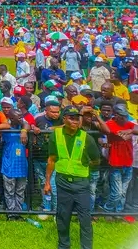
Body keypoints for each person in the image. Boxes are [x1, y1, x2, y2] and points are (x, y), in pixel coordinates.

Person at [44, 106, 101, 249]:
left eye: (77, 118)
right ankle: (63, 246)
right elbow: (51, 159)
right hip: (62, 183)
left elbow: (96, 160)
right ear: (64, 119)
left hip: (81, 184)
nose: (75, 121)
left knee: (85, 219)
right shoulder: (55, 136)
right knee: (63, 217)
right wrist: (47, 182)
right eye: (71, 118)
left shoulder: (86, 137)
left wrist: (86, 166)